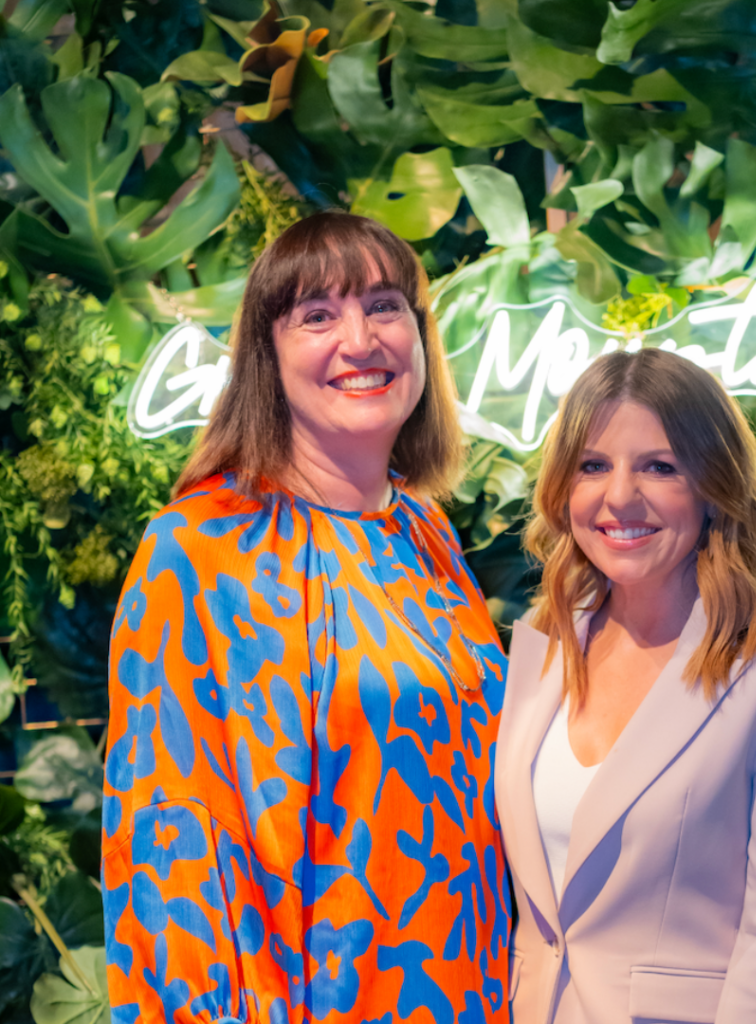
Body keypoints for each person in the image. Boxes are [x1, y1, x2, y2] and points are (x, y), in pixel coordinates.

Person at [102, 212, 511, 1024]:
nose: (361, 340)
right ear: (268, 355)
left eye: (385, 306)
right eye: (317, 316)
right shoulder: (200, 549)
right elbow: (171, 851)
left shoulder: (423, 528)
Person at [495, 348, 756, 1024]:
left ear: (714, 486)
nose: (619, 496)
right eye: (592, 465)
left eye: (659, 467)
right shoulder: (544, 647)